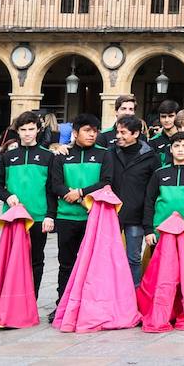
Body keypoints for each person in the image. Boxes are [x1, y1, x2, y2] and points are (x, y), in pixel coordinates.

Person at [47, 112, 112, 316]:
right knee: (66, 263)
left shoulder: (104, 154)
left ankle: (89, 305)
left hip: (93, 217)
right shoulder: (62, 155)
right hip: (66, 217)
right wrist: (70, 194)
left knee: (93, 264)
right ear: (75, 133)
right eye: (87, 131)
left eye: (94, 131)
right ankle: (63, 305)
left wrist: (81, 193)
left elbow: (107, 181)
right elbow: (54, 183)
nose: (92, 135)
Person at [0, 110, 52, 295]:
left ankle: (30, 299)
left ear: (38, 130)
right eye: (23, 129)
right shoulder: (8, 157)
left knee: (36, 259)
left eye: (31, 129)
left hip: (38, 216)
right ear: (17, 131)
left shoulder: (49, 156)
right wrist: (7, 196)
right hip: (13, 217)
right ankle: (12, 297)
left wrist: (50, 215)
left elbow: (51, 189)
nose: (27, 133)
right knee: (12, 259)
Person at [110, 114, 159, 284]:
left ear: (136, 133)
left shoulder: (151, 157)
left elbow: (153, 191)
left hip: (136, 215)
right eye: (118, 132)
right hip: (112, 214)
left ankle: (134, 295)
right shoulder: (111, 152)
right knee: (110, 259)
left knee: (133, 258)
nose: (118, 136)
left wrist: (148, 219)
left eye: (123, 132)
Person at [142, 130, 184, 252]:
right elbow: (149, 202)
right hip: (160, 232)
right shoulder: (159, 174)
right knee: (161, 270)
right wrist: (148, 230)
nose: (180, 149)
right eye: (176, 146)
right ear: (171, 149)